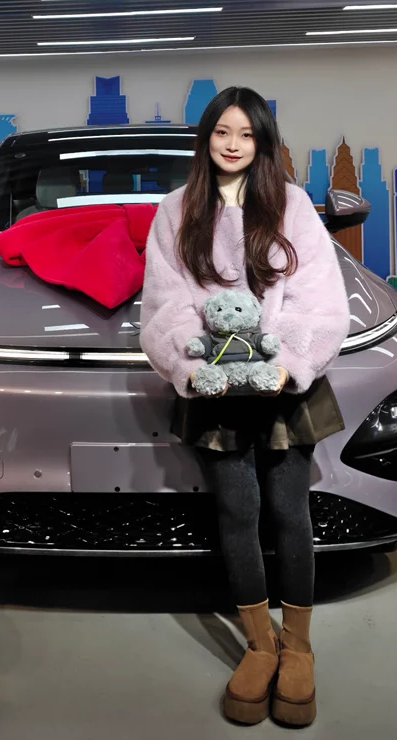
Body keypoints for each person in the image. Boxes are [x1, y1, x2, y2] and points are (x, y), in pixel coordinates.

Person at [140, 85, 349, 728]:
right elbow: (166, 302)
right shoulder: (176, 209)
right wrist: (194, 366)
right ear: (206, 138)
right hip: (215, 390)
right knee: (237, 512)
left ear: (263, 142)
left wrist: (288, 360)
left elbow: (319, 295)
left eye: (246, 134)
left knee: (289, 511)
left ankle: (299, 647)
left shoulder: (291, 204)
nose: (232, 145)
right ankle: (260, 645)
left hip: (285, 386)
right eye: (221, 132)